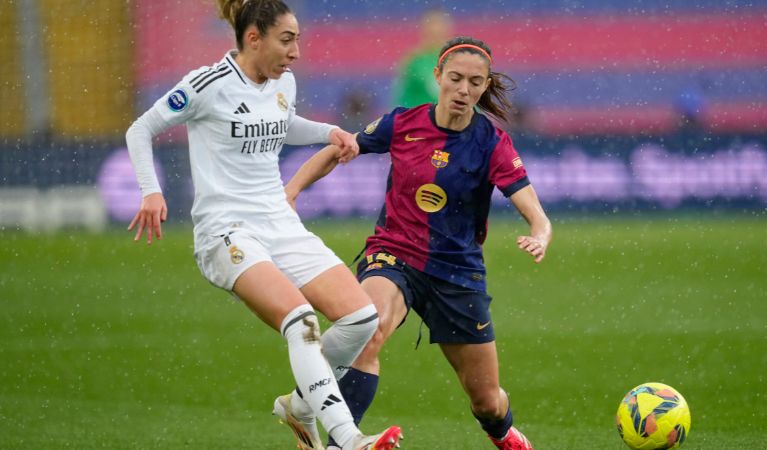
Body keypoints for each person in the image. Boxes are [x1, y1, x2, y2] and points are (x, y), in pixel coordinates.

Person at [124, 1, 404, 449]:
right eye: (287, 39)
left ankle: (298, 405)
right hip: (226, 231)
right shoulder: (206, 85)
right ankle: (348, 438)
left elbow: (281, 122)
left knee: (361, 318)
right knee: (302, 321)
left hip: (278, 221)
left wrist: (328, 131)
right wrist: (150, 190)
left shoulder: (283, 83)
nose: (296, 52)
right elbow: (141, 129)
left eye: (298, 40)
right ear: (254, 38)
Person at [284, 36, 552, 450]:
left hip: (457, 272)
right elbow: (341, 149)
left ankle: (500, 431)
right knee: (367, 330)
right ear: (438, 77)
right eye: (456, 78)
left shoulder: (492, 143)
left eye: (475, 83)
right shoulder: (402, 123)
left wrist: (539, 233)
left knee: (487, 401)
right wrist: (292, 190)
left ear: (485, 86)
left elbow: (533, 209)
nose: (464, 90)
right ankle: (341, 442)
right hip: (394, 254)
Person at [392, 8, 454, 107]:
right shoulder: (414, 61)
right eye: (432, 27)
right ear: (424, 29)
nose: (436, 31)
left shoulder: (457, 60)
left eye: (439, 26)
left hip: (452, 120)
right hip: (419, 119)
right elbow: (402, 97)